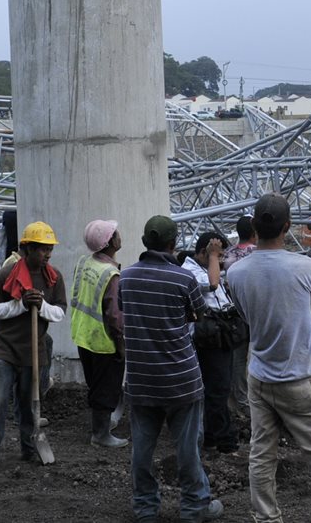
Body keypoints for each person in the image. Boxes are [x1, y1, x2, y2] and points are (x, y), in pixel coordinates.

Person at [226, 194, 311, 523]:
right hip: (300, 378)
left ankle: (266, 518)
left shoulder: (236, 272)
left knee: (261, 454)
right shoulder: (304, 266)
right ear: (287, 227)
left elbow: (245, 317)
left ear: (254, 228)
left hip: (260, 376)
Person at [120, 215, 223, 522]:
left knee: (142, 448)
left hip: (140, 380)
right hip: (181, 380)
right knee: (188, 448)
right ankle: (195, 507)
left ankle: (145, 508)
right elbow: (200, 312)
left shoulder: (126, 277)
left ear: (144, 243)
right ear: (173, 244)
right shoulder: (183, 279)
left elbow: (128, 311)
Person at [0, 221, 66, 475]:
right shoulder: (8, 274)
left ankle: (29, 447)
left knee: (28, 404)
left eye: (49, 249)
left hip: (34, 351)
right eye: (42, 249)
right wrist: (21, 304)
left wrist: (41, 305)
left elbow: (60, 312)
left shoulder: (54, 277)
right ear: (28, 249)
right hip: (5, 349)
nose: (47, 254)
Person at [70, 218, 128, 447]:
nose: (119, 235)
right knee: (107, 385)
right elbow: (114, 316)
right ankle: (101, 434)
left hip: (83, 334)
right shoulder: (110, 274)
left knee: (95, 383)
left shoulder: (85, 262)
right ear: (110, 242)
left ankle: (101, 425)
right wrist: (121, 343)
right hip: (102, 340)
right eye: (116, 233)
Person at [182, 231, 240, 453]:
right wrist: (214, 256)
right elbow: (213, 284)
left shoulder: (207, 267)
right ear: (205, 252)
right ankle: (221, 439)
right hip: (207, 336)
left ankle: (212, 435)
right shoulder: (189, 271)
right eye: (217, 254)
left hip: (220, 334)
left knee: (220, 387)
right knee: (216, 388)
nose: (221, 259)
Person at [223, 215, 257, 422]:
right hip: (259, 314)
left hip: (234, 316)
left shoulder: (227, 256)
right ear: (255, 233)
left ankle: (240, 402)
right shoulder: (260, 254)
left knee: (238, 361)